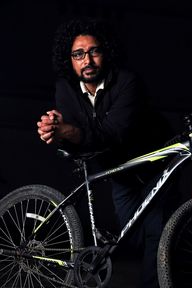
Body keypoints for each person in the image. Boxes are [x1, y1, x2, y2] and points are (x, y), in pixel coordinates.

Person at [37, 16, 173, 288]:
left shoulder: (127, 83)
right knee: (130, 237)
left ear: (105, 53)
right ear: (70, 59)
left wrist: (69, 131)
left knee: (157, 235)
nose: (87, 60)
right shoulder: (65, 87)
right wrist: (52, 129)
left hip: (153, 167)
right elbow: (71, 134)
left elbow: (112, 133)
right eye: (78, 54)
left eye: (94, 51)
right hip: (119, 172)